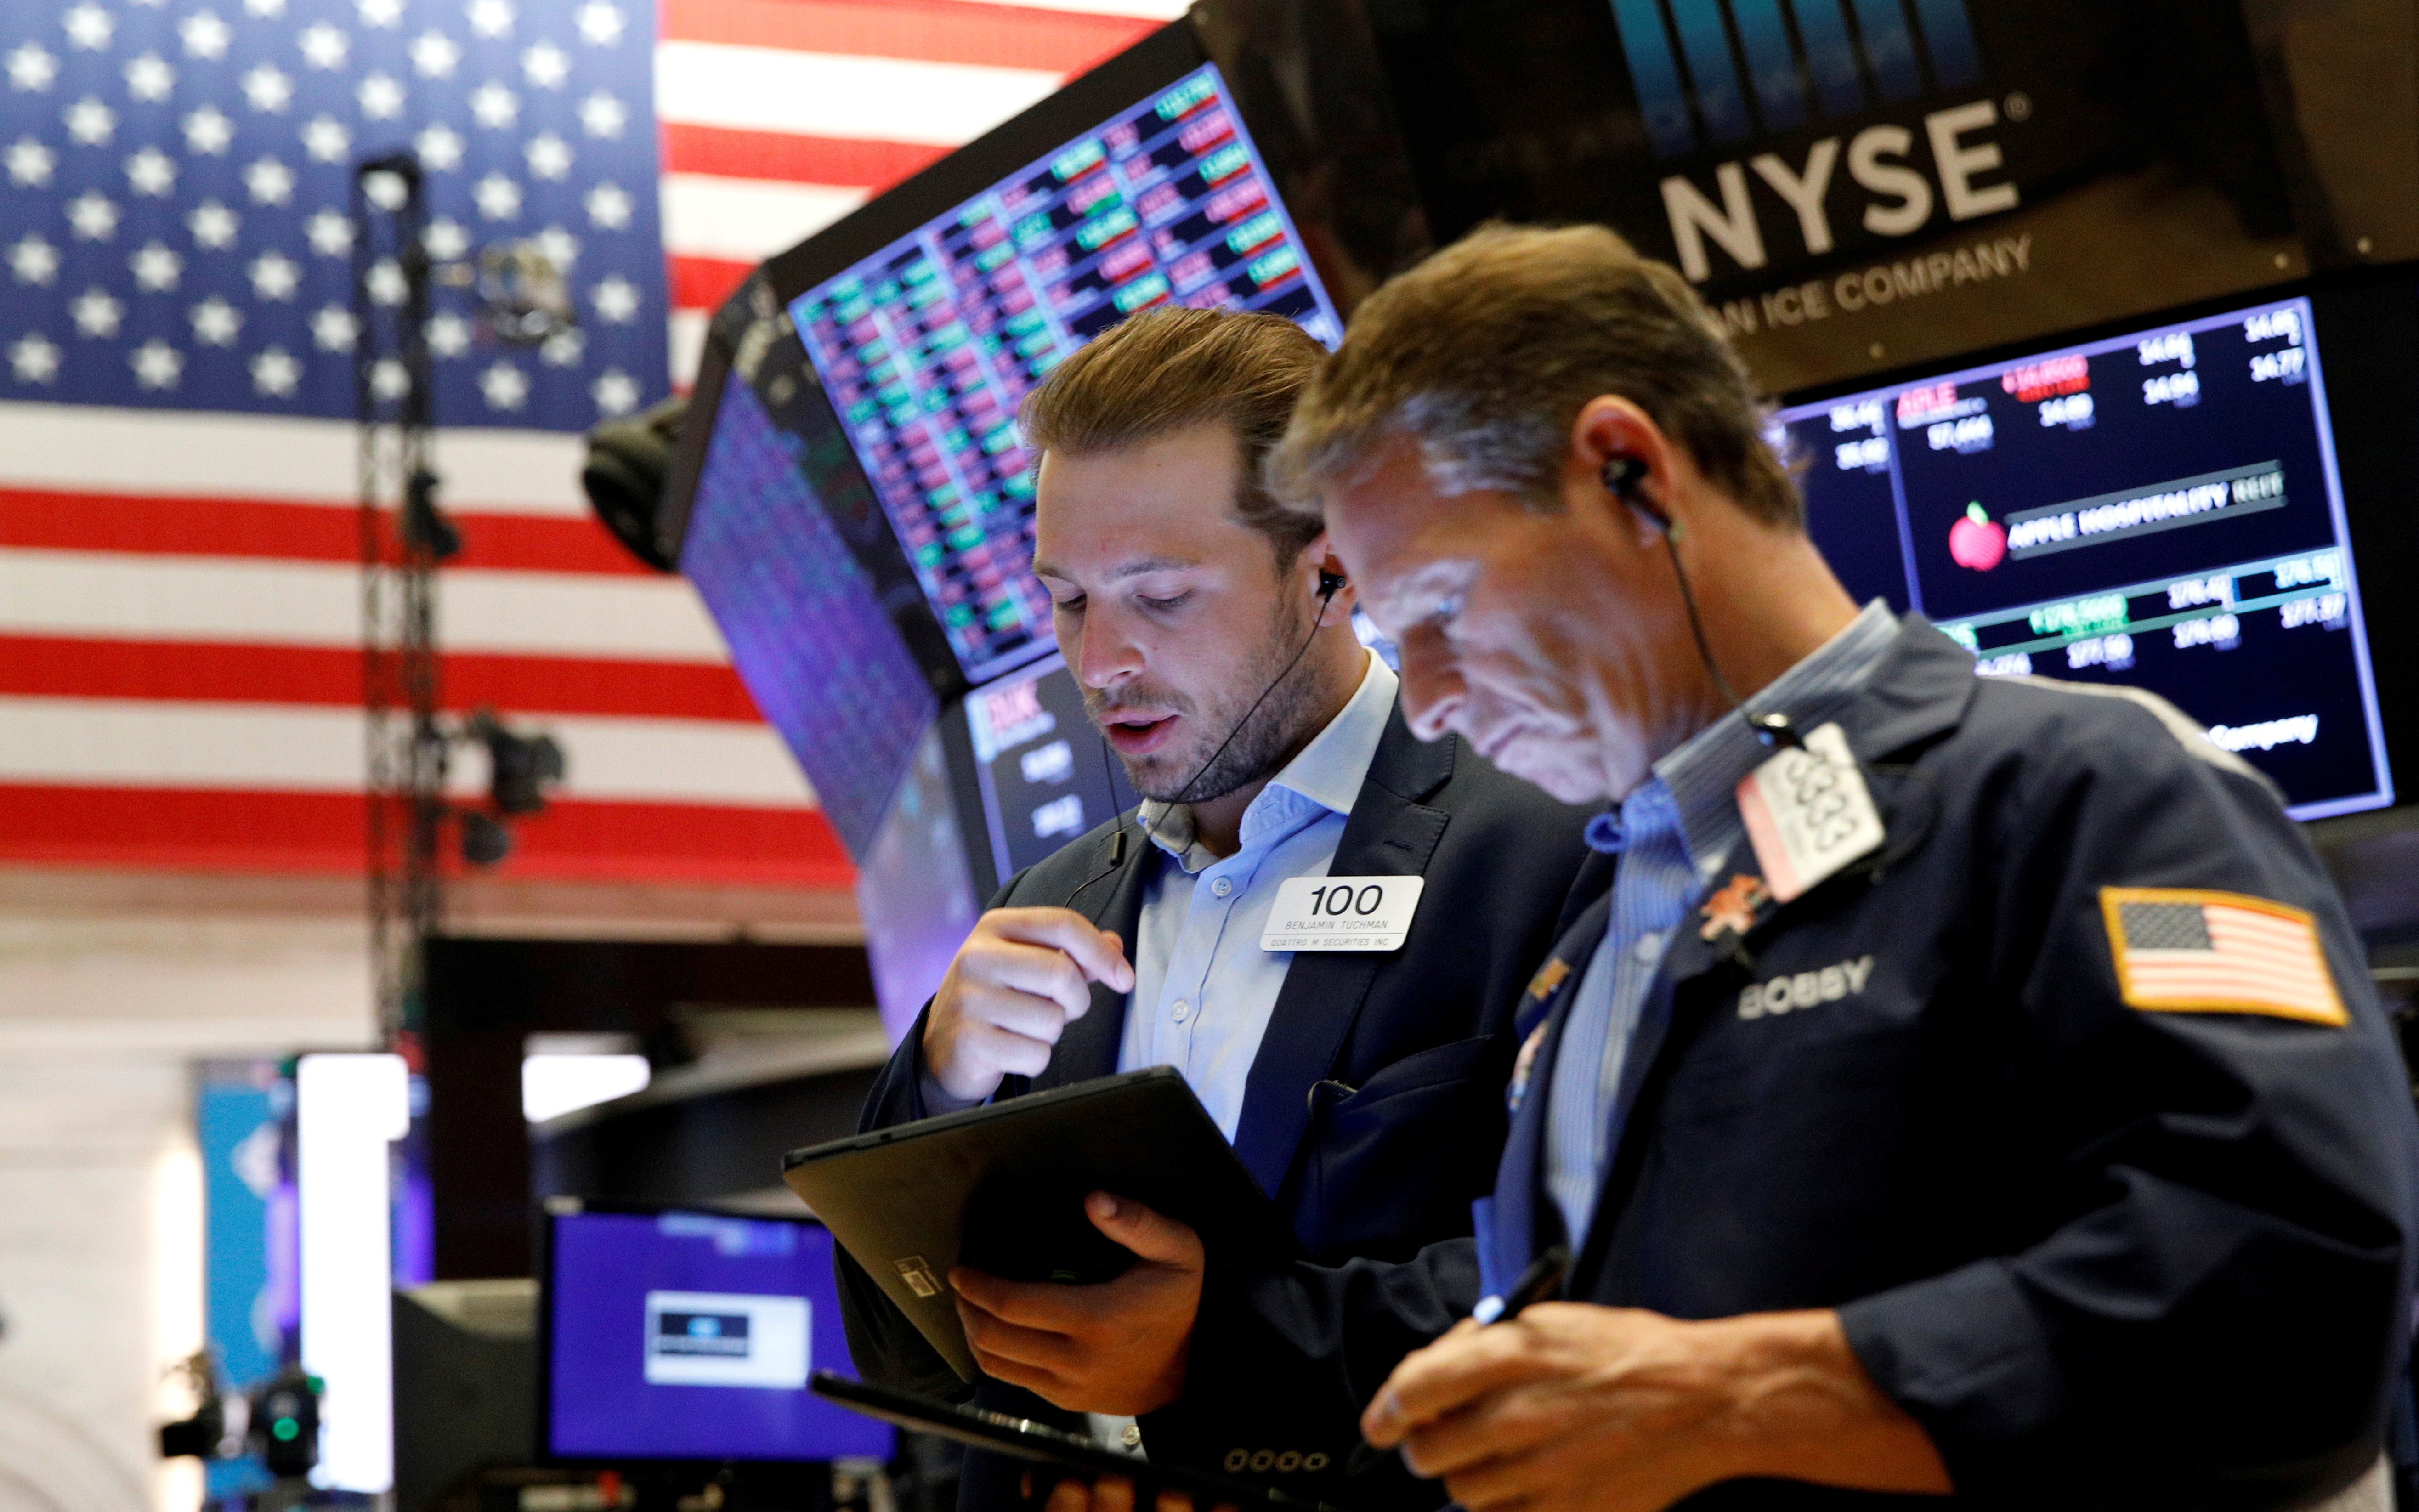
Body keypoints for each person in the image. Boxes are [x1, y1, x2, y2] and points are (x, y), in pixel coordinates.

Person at [1040, 223, 2419, 1512]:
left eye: (1447, 610)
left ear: (1627, 470)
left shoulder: (2089, 789)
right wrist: (1207, 1338)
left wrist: (1753, 1395)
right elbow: (1558, 1358)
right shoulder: (1624, 916)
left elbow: (2300, 1292)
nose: (1434, 695)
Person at [833, 306, 1603, 1512]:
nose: (1100, 664)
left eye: (1160, 596)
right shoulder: (1048, 900)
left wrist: (1215, 1351)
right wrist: (937, 1082)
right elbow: (903, 1349)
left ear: (1332, 567)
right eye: (1070, 599)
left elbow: (1605, 1277)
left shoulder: (1552, 845)